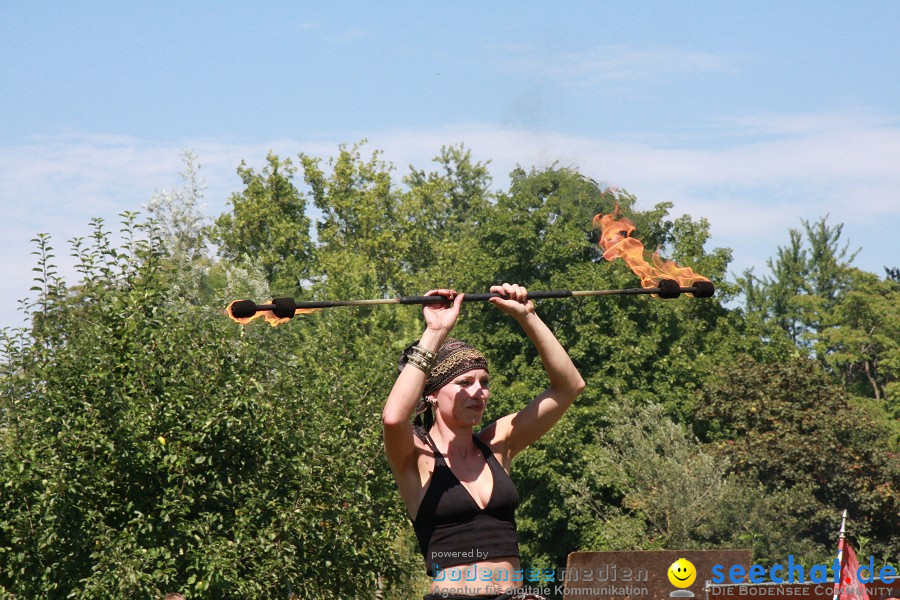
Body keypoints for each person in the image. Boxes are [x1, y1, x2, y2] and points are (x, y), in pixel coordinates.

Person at [383, 284, 585, 600]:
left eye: (484, 382)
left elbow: (568, 387)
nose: (480, 391)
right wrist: (435, 332)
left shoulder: (498, 443)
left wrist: (527, 316)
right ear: (433, 393)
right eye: (465, 382)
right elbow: (394, 418)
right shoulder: (416, 455)